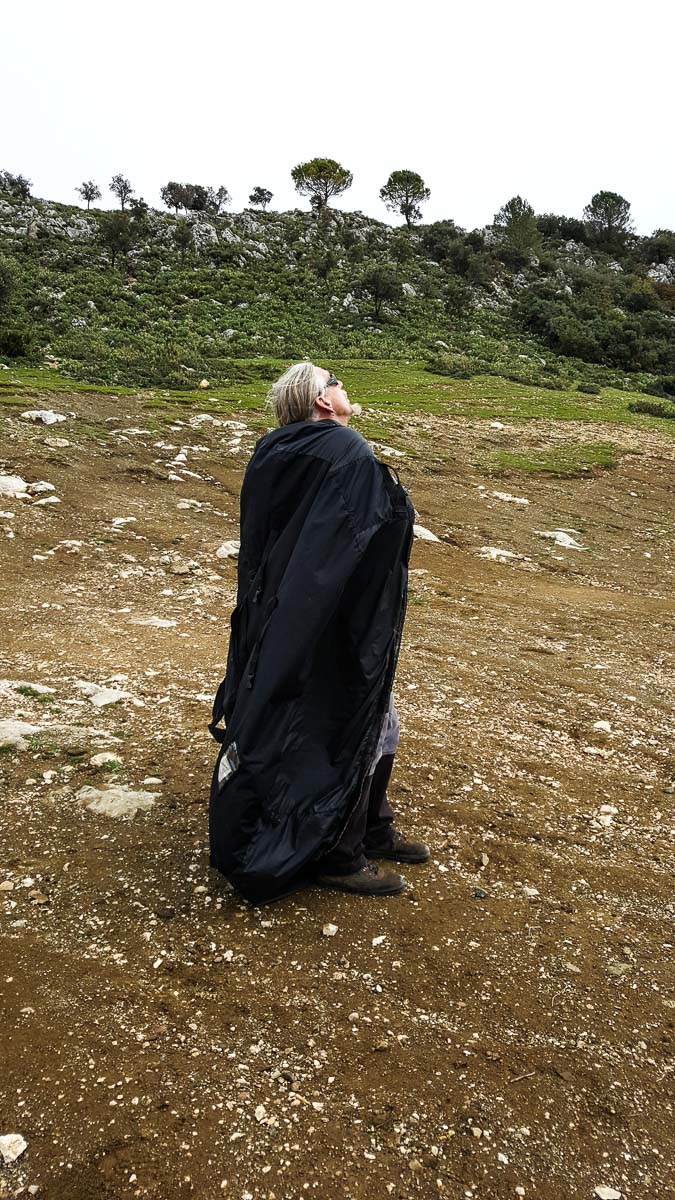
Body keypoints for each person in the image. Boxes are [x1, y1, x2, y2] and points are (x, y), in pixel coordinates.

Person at [208, 363, 429, 904]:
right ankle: (341, 855)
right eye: (334, 381)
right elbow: (359, 539)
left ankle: (373, 824)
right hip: (334, 618)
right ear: (322, 402)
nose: (342, 387)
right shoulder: (344, 450)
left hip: (283, 613)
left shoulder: (272, 452)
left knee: (377, 721)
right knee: (354, 722)